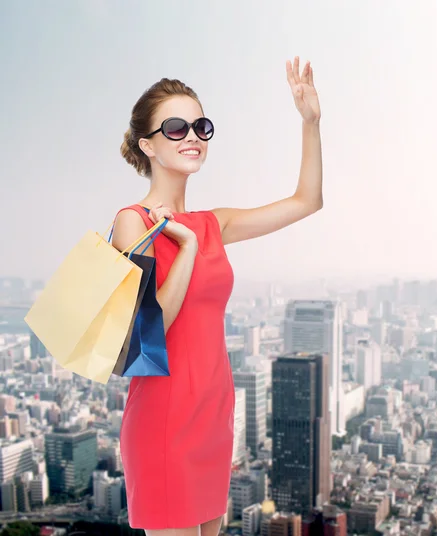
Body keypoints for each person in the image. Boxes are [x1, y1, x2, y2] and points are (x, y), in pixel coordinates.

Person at [111, 57, 323, 536]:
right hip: (162, 418)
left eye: (200, 126)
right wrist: (183, 248)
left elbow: (307, 201)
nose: (192, 136)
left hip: (212, 415)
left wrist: (310, 124)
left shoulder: (214, 223)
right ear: (147, 144)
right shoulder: (133, 223)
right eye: (176, 126)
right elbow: (147, 333)